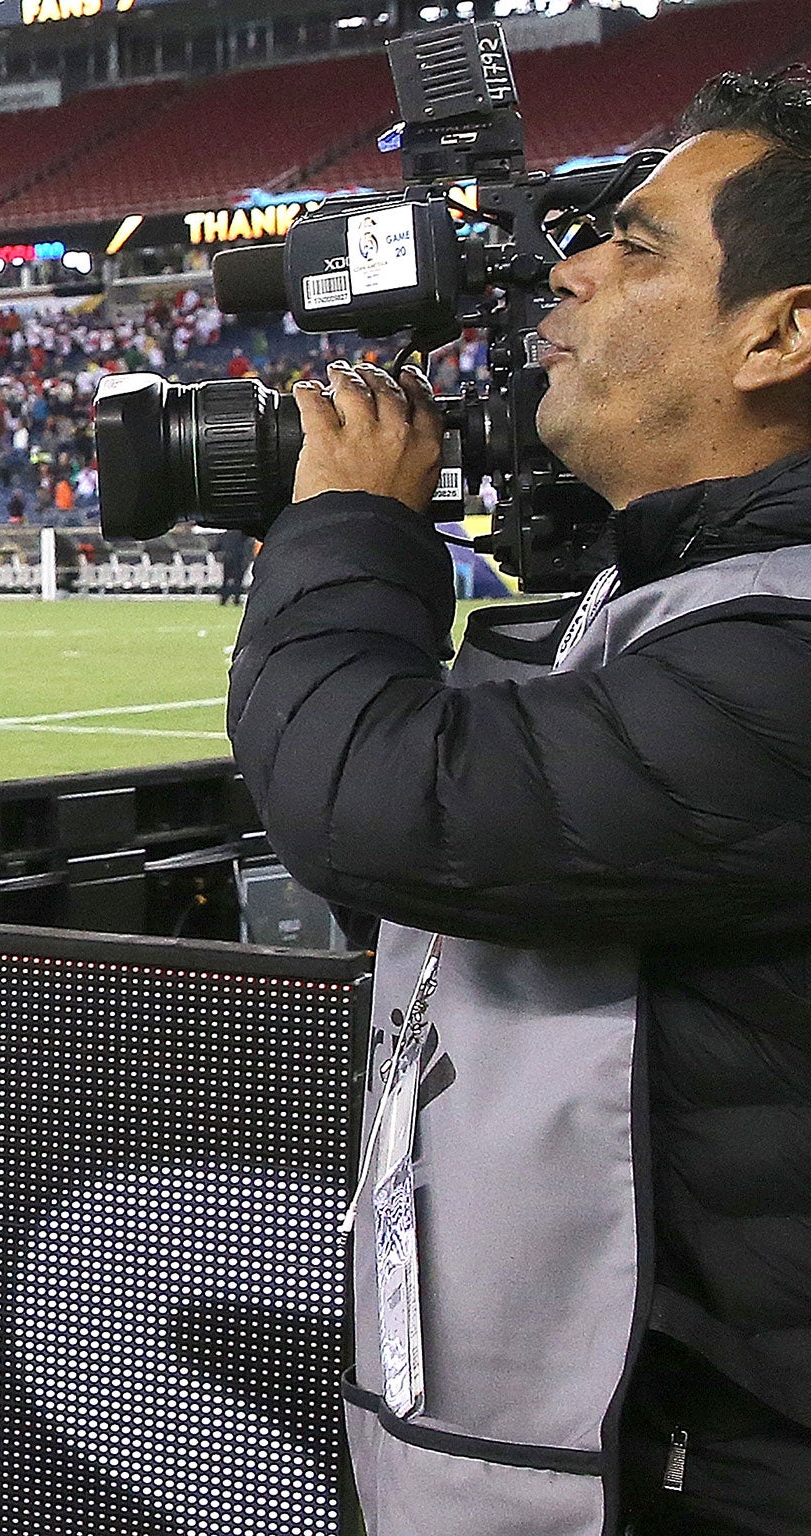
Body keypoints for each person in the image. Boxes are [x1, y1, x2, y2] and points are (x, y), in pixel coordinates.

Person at [228, 73, 811, 1536]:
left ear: (782, 334)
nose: (570, 270)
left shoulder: (784, 649)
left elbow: (383, 801)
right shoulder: (691, 600)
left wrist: (351, 528)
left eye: (637, 245)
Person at [215, 526, 253, 605]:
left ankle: (224, 599)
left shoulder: (224, 535)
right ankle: (236, 599)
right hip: (239, 559)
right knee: (238, 580)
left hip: (227, 559)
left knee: (226, 579)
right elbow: (247, 545)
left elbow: (216, 546)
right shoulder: (242, 535)